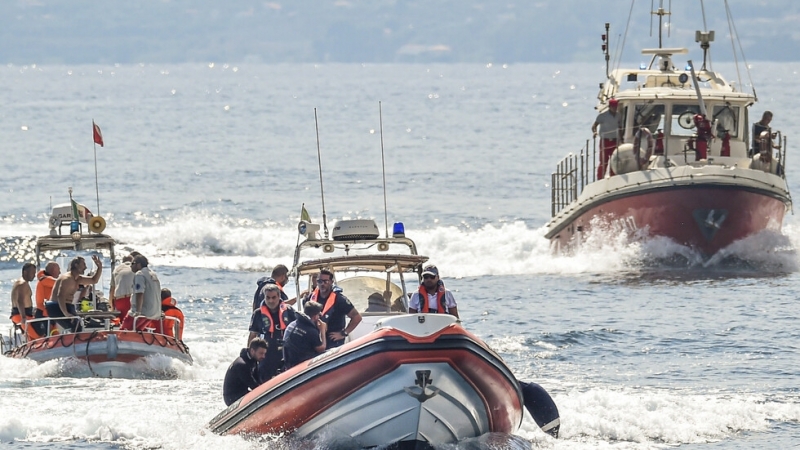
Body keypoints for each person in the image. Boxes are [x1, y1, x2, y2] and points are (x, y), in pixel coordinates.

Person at [248, 283, 297, 382]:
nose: (271, 301)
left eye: (274, 297)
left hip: (285, 353)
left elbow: (297, 331)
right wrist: (250, 355)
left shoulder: (289, 311)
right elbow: (253, 335)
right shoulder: (258, 314)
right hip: (266, 355)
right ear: (264, 297)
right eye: (268, 297)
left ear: (279, 297)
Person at [46, 255, 103, 333]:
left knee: (78, 326)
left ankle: (75, 342)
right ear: (76, 265)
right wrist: (66, 313)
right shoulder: (67, 278)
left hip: (68, 305)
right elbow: (60, 296)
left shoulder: (77, 279)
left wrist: (99, 268)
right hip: (56, 306)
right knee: (75, 326)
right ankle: (71, 342)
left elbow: (94, 280)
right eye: (84, 264)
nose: (86, 267)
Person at [309, 269, 362, 349]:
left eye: (325, 281)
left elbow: (357, 317)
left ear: (331, 282)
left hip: (333, 340)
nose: (322, 284)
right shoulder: (311, 298)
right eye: (320, 281)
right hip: (316, 339)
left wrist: (343, 333)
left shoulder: (340, 300)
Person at [121, 255, 162, 331]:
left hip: (143, 312)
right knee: (137, 331)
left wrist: (138, 312)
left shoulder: (139, 274)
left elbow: (139, 293)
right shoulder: (153, 274)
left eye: (132, 263)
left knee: (124, 329)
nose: (130, 266)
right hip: (154, 313)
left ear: (138, 264)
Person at [222, 337, 268, 406]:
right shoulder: (242, 365)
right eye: (261, 353)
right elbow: (253, 385)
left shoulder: (253, 360)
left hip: (242, 392)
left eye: (264, 353)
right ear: (252, 351)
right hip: (231, 398)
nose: (263, 356)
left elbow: (258, 381)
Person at [282, 301, 327, 370]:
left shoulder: (292, 324)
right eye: (318, 315)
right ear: (315, 317)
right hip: (301, 367)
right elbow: (321, 348)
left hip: (288, 364)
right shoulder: (311, 331)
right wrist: (323, 330)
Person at [591, 98, 623, 179]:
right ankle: (600, 178)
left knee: (614, 160)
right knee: (603, 161)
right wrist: (594, 132)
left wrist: (621, 138)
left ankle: (613, 177)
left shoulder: (618, 116)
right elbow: (594, 125)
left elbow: (619, 127)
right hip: (605, 141)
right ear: (609, 106)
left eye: (615, 106)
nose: (614, 108)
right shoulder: (602, 116)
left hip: (615, 141)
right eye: (613, 106)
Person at [10, 262, 42, 340]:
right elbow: (19, 301)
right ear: (25, 272)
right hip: (22, 316)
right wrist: (23, 317)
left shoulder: (19, 282)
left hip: (21, 314)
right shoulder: (22, 284)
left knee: (32, 339)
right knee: (39, 336)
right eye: (32, 273)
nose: (34, 275)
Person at [109, 252, 139, 320]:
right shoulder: (135, 268)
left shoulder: (116, 270)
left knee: (122, 322)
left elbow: (112, 290)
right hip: (132, 299)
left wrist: (111, 308)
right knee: (134, 323)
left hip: (120, 300)